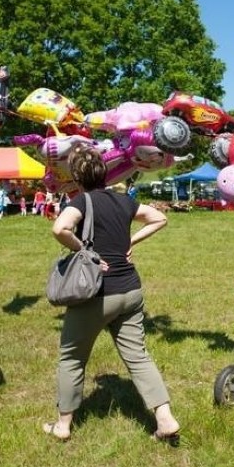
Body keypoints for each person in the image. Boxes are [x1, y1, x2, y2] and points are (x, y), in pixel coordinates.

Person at [44, 143, 180, 444]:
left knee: (71, 357)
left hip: (96, 293)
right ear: (105, 172)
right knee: (139, 357)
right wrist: (132, 241)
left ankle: (63, 425)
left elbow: (59, 229)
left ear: (77, 177)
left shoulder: (80, 202)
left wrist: (85, 251)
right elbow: (160, 218)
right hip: (130, 291)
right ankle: (165, 418)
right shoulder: (123, 200)